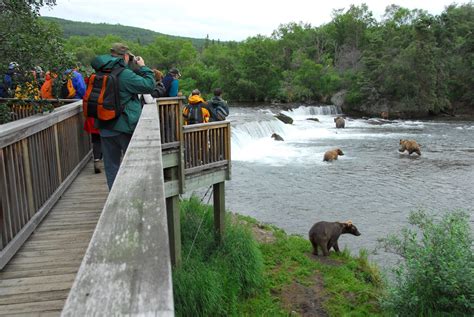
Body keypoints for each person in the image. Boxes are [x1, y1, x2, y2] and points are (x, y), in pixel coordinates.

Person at [93, 42, 155, 189]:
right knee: (133, 164)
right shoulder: (125, 74)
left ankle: (113, 197)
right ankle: (132, 196)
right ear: (126, 56)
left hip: (105, 124)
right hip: (124, 126)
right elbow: (149, 85)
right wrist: (143, 67)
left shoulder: (100, 72)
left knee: (111, 166)